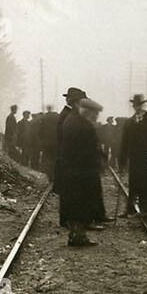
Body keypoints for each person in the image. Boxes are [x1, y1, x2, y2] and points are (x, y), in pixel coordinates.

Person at [60, 97, 105, 247]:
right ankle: (79, 237)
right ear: (88, 112)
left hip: (71, 170)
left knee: (74, 204)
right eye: (95, 114)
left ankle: (75, 235)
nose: (96, 117)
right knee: (81, 203)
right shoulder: (85, 126)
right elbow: (90, 149)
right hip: (83, 171)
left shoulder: (71, 121)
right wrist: (100, 159)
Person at [55, 86, 87, 226]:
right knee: (69, 191)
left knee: (68, 191)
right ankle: (68, 220)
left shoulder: (67, 114)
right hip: (69, 158)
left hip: (68, 157)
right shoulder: (68, 116)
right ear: (74, 102)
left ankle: (67, 219)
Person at [118, 93, 147, 216]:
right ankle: (130, 208)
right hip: (135, 158)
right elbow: (124, 143)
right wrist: (122, 161)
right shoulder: (129, 122)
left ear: (143, 105)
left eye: (139, 105)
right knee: (133, 182)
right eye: (135, 105)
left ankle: (145, 209)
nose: (137, 107)